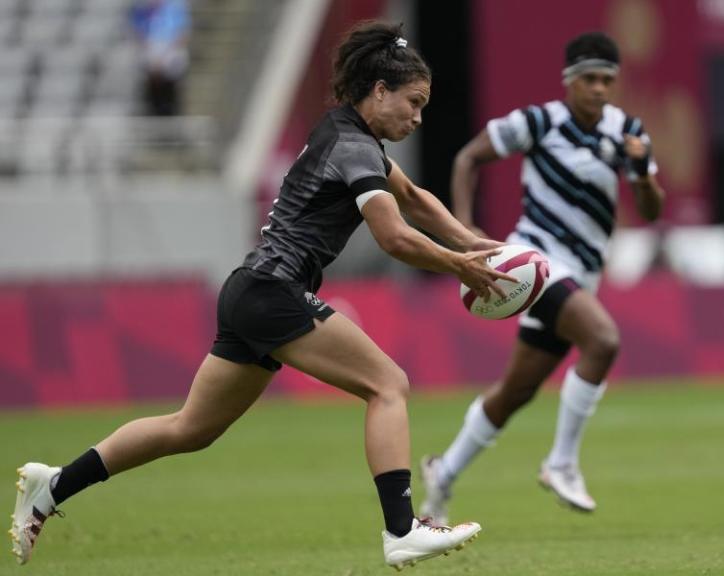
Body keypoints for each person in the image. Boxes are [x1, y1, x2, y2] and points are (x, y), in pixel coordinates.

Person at [10, 21, 511, 569]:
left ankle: (54, 485)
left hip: (251, 292)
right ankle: (401, 530)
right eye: (412, 103)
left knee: (190, 428)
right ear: (379, 90)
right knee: (388, 384)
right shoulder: (354, 147)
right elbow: (393, 236)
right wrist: (457, 265)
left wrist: (472, 241)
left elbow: (413, 198)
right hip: (274, 291)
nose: (418, 117)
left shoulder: (348, 136)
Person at [419, 32, 665, 524]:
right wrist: (466, 227)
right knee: (603, 340)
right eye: (589, 79)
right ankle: (562, 463)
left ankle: (442, 476)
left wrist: (640, 172)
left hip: (585, 271)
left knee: (516, 392)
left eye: (607, 80)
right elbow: (469, 156)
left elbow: (651, 209)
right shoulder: (539, 121)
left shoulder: (627, 130)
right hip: (539, 261)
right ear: (569, 81)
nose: (598, 89)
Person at [129, 0, 190, 116]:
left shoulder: (175, 8)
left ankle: (170, 109)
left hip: (170, 51)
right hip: (151, 51)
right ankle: (153, 109)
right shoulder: (141, 11)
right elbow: (138, 35)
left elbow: (182, 35)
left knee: (172, 70)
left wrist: (164, 56)